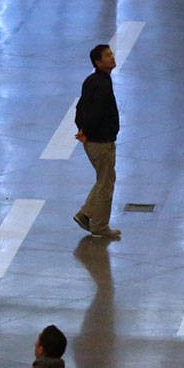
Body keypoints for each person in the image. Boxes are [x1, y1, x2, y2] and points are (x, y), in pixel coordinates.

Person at [72, 43, 121, 241]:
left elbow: (80, 107)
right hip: (101, 141)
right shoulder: (101, 85)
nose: (112, 57)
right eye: (107, 56)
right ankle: (97, 223)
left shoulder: (93, 81)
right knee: (105, 184)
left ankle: (88, 216)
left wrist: (81, 129)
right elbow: (95, 113)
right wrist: (87, 131)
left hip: (94, 139)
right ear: (98, 62)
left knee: (104, 180)